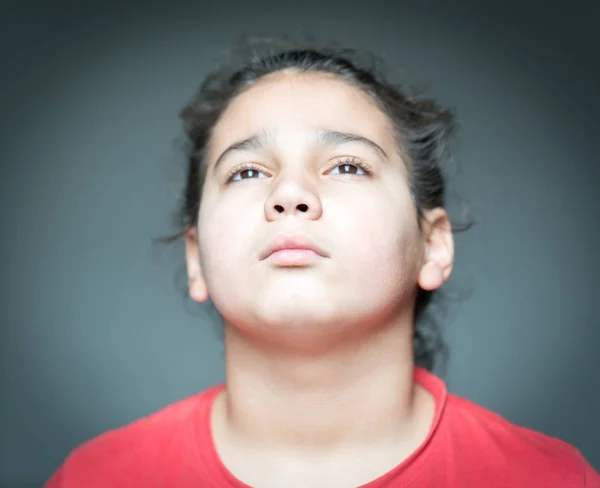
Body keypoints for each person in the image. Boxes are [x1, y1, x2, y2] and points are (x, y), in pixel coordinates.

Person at [45, 36, 599, 487]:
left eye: (348, 166)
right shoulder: (96, 478)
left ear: (433, 245)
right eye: (246, 172)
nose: (289, 194)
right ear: (196, 258)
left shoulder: (551, 480)